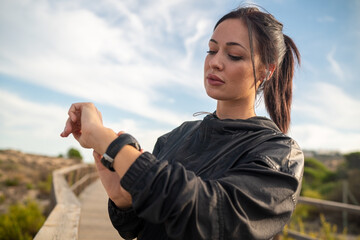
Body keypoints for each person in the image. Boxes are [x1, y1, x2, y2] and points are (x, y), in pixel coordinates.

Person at [61, 6, 304, 240]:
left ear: (266, 71)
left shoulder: (279, 154)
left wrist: (110, 143)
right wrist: (123, 199)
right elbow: (138, 228)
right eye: (211, 50)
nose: (215, 62)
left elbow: (210, 218)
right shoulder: (174, 137)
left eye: (234, 55)